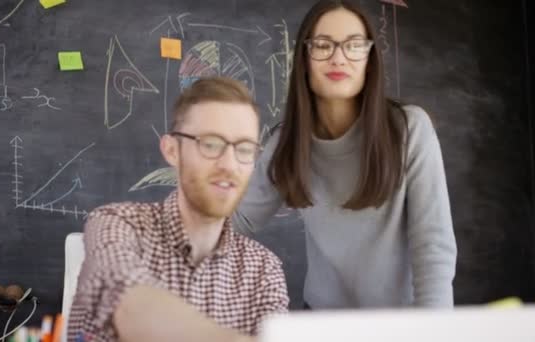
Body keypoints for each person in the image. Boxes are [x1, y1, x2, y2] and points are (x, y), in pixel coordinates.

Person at [233, 0, 457, 309]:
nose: (339, 58)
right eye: (323, 45)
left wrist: (434, 331)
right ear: (305, 58)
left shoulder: (408, 129)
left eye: (354, 45)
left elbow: (433, 246)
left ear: (369, 58)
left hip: (401, 323)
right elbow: (239, 220)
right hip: (323, 322)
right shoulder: (286, 141)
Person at [67, 77, 289, 342]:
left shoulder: (264, 270)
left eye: (244, 149)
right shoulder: (115, 223)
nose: (229, 164)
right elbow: (129, 306)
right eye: (211, 144)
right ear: (172, 150)